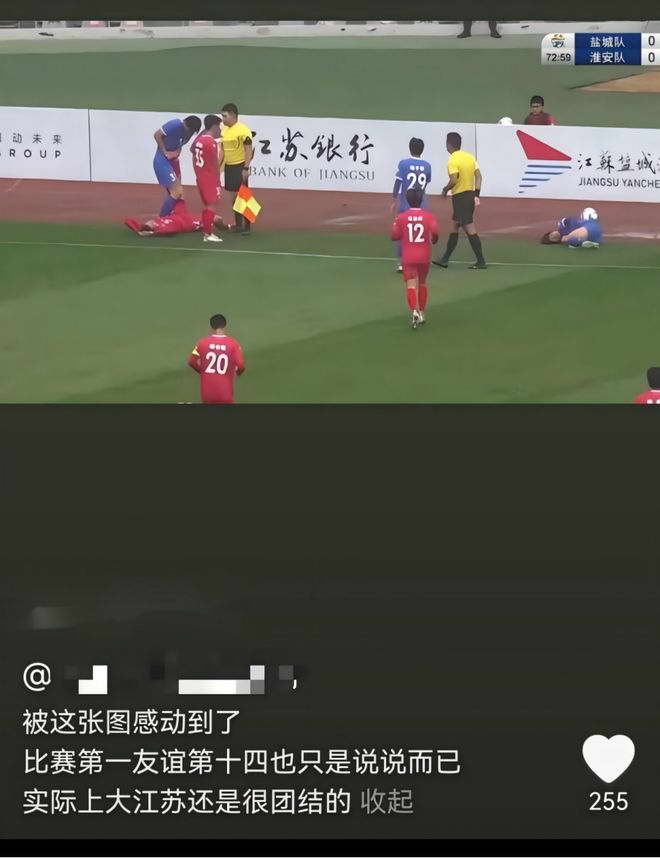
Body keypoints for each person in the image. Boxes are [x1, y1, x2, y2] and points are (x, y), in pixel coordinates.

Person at [433, 132, 487, 270]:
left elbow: (454, 180)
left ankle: (481, 261)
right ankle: (445, 259)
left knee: (469, 228)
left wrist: (445, 189)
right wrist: (476, 194)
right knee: (455, 226)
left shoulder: (452, 160)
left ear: (449, 144)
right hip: (468, 196)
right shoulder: (470, 157)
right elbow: (479, 177)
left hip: (460, 198)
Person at [390, 188, 439, 329]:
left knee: (411, 285)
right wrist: (434, 240)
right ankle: (422, 312)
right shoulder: (428, 216)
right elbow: (435, 232)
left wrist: (396, 224)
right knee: (422, 283)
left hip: (408, 257)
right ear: (421, 200)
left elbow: (394, 236)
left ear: (408, 200)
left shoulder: (401, 217)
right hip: (424, 256)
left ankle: (414, 311)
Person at [391, 137, 432, 272]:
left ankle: (402, 262)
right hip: (422, 204)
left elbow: (398, 182)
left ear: (410, 148)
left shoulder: (403, 164)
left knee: (402, 232)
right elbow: (425, 183)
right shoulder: (427, 166)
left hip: (405, 204)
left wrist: (394, 199)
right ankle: (421, 260)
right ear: (422, 149)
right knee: (421, 232)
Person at [187, 314, 246, 405]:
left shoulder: (202, 343)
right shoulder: (233, 344)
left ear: (211, 326)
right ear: (225, 325)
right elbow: (241, 366)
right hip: (225, 394)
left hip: (207, 394)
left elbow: (191, 361)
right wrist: (238, 373)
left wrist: (204, 371)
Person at [153, 115, 201, 217]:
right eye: (189, 130)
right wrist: (165, 152)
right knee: (177, 191)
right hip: (163, 161)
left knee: (179, 193)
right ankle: (162, 218)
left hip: (173, 162)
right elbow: (157, 134)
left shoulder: (188, 133)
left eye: (192, 132)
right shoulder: (175, 124)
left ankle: (174, 215)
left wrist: (176, 153)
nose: (190, 133)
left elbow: (180, 145)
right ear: (185, 123)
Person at [219, 103, 255, 235]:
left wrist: (246, 168)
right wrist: (218, 167)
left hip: (240, 166)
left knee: (244, 197)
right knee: (234, 197)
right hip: (229, 167)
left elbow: (248, 150)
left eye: (225, 116)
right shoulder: (224, 131)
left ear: (233, 115)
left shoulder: (243, 130)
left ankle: (247, 227)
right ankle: (238, 224)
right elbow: (222, 151)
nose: (222, 119)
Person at [192, 114, 223, 243]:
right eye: (219, 126)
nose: (220, 129)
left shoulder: (199, 140)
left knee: (207, 205)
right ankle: (208, 234)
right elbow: (215, 163)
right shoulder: (211, 142)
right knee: (211, 205)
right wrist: (217, 179)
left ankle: (206, 229)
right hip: (209, 178)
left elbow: (194, 156)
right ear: (214, 126)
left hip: (201, 177)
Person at [124, 199, 226, 237]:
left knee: (179, 196)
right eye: (148, 224)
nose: (149, 222)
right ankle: (225, 227)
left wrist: (140, 230)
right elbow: (169, 232)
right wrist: (151, 233)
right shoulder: (163, 228)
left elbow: (128, 221)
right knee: (215, 218)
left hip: (178, 216)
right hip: (186, 222)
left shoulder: (159, 223)